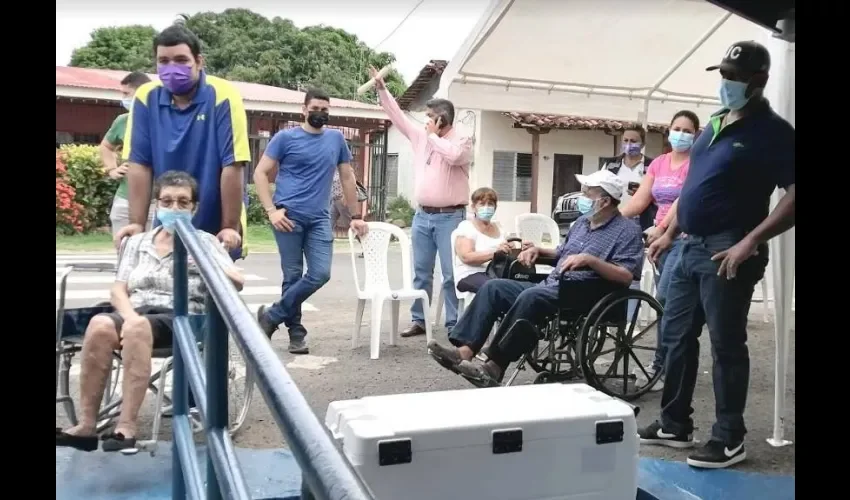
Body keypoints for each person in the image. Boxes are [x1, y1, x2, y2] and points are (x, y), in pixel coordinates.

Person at [638, 41, 796, 470]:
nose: (726, 83)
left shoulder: (773, 133)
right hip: (688, 243)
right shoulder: (714, 124)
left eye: (735, 77)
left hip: (729, 246)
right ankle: (675, 424)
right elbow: (694, 185)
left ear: (759, 81)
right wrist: (671, 229)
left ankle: (729, 439)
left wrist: (751, 241)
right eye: (723, 74)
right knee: (674, 337)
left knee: (726, 344)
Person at [55, 171, 245, 452]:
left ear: (194, 207)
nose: (174, 208)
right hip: (138, 311)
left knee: (136, 327)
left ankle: (126, 427)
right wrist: (130, 314)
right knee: (100, 324)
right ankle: (86, 425)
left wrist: (207, 265)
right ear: (157, 205)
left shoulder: (204, 242)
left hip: (181, 317)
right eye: (167, 201)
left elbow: (237, 282)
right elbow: (118, 289)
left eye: (182, 202)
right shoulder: (138, 242)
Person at [427, 170, 644, 388]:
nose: (581, 198)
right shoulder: (581, 224)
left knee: (532, 296)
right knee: (494, 288)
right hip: (555, 284)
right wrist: (538, 250)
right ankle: (464, 352)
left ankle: (496, 365)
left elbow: (625, 276)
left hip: (588, 292)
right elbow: (562, 253)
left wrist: (591, 261)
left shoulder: (627, 231)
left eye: (587, 194)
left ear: (605, 201)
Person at [117, 24, 250, 261]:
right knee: (165, 286)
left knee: (214, 291)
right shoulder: (146, 98)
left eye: (180, 60)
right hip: (170, 215)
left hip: (216, 220)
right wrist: (137, 223)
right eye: (163, 61)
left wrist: (229, 226)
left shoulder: (223, 95)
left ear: (199, 61)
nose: (171, 68)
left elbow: (233, 164)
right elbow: (139, 165)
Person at [252, 89, 369, 354]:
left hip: (319, 218)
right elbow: (260, 173)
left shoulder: (336, 139)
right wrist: (271, 210)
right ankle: (296, 334)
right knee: (292, 275)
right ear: (304, 110)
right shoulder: (285, 138)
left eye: (325, 110)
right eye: (316, 108)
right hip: (288, 216)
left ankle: (271, 316)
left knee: (320, 273)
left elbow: (348, 177)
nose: (320, 113)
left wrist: (356, 216)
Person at [369, 66, 473, 338]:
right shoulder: (422, 137)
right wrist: (382, 89)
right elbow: (397, 116)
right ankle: (420, 320)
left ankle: (454, 323)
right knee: (420, 272)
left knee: (451, 274)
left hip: (451, 216)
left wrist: (433, 137)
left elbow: (453, 157)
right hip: (422, 216)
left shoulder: (462, 140)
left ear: (442, 120)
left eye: (430, 117)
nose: (425, 121)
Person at [620, 110, 700, 389]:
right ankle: (669, 366)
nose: (681, 134)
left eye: (687, 131)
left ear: (697, 135)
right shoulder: (659, 164)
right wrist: (611, 217)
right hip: (658, 240)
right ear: (668, 131)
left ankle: (660, 368)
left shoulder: (697, 163)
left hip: (682, 237)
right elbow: (641, 199)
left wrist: (664, 228)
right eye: (677, 128)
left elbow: (684, 201)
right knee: (666, 305)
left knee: (666, 300)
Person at [99, 71, 157, 236]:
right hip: (126, 198)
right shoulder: (123, 121)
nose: (123, 98)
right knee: (125, 253)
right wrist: (112, 169)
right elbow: (106, 147)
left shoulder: (164, 119)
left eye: (126, 93)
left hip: (158, 201)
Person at [454, 187, 512, 293]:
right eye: (482, 204)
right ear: (473, 207)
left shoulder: (499, 227)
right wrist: (495, 253)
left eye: (490, 204)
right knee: (497, 288)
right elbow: (466, 257)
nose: (487, 207)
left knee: (521, 287)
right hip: (470, 273)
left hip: (497, 273)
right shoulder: (466, 227)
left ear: (495, 207)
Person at [600, 124, 656, 227]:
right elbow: (600, 190)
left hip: (642, 221)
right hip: (613, 220)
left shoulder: (652, 165)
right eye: (626, 140)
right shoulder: (610, 164)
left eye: (633, 141)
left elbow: (658, 195)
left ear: (642, 144)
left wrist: (643, 193)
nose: (629, 144)